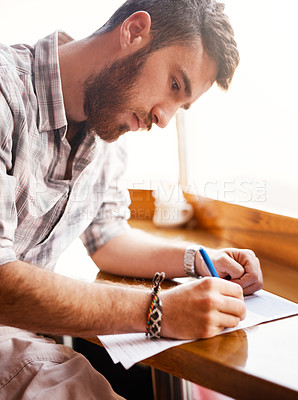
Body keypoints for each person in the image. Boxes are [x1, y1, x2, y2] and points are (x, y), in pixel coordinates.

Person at [0, 0, 262, 398]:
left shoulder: (107, 134)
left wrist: (200, 259)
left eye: (181, 106)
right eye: (175, 85)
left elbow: (108, 239)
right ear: (134, 31)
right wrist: (159, 312)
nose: (164, 119)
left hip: (26, 336)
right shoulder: (6, 95)